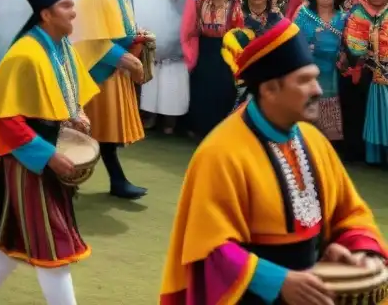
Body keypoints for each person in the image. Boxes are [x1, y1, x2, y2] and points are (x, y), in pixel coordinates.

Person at [159, 17, 387, 305]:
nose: (317, 89)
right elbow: (209, 247)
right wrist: (278, 280)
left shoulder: (314, 141)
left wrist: (359, 249)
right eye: (304, 80)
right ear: (269, 89)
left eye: (315, 77)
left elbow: (349, 212)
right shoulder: (220, 153)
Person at [0, 0, 97, 305]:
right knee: (54, 247)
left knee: (21, 236)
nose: (73, 10)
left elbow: (69, 94)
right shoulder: (23, 55)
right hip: (28, 162)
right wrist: (48, 156)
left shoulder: (62, 47)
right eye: (65, 6)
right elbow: (5, 122)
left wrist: (77, 114)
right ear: (46, 14)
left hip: (47, 154)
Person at [73, 0, 147, 199]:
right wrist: (126, 59)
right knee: (87, 129)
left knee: (101, 132)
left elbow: (120, 26)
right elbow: (91, 39)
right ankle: (68, 178)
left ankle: (114, 181)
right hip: (98, 68)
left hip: (113, 66)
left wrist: (137, 38)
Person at [182, 0, 244, 140]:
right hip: (205, 47)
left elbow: (238, 31)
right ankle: (199, 128)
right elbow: (191, 26)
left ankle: (219, 129)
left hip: (226, 48)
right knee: (202, 87)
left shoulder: (235, 4)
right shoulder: (199, 1)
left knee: (223, 87)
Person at [141, 0, 191, 135]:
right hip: (154, 52)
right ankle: (150, 118)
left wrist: (169, 48)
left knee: (172, 93)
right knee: (151, 92)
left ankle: (169, 124)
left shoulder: (186, 0)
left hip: (175, 55)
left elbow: (186, 30)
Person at [293, 0, 346, 142]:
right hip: (310, 65)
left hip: (334, 68)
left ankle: (331, 141)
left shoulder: (344, 17)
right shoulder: (305, 15)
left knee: (333, 99)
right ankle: (307, 138)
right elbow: (296, 39)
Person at [342, 0, 388, 166]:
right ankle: (370, 155)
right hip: (367, 72)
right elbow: (354, 45)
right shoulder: (357, 12)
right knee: (363, 112)